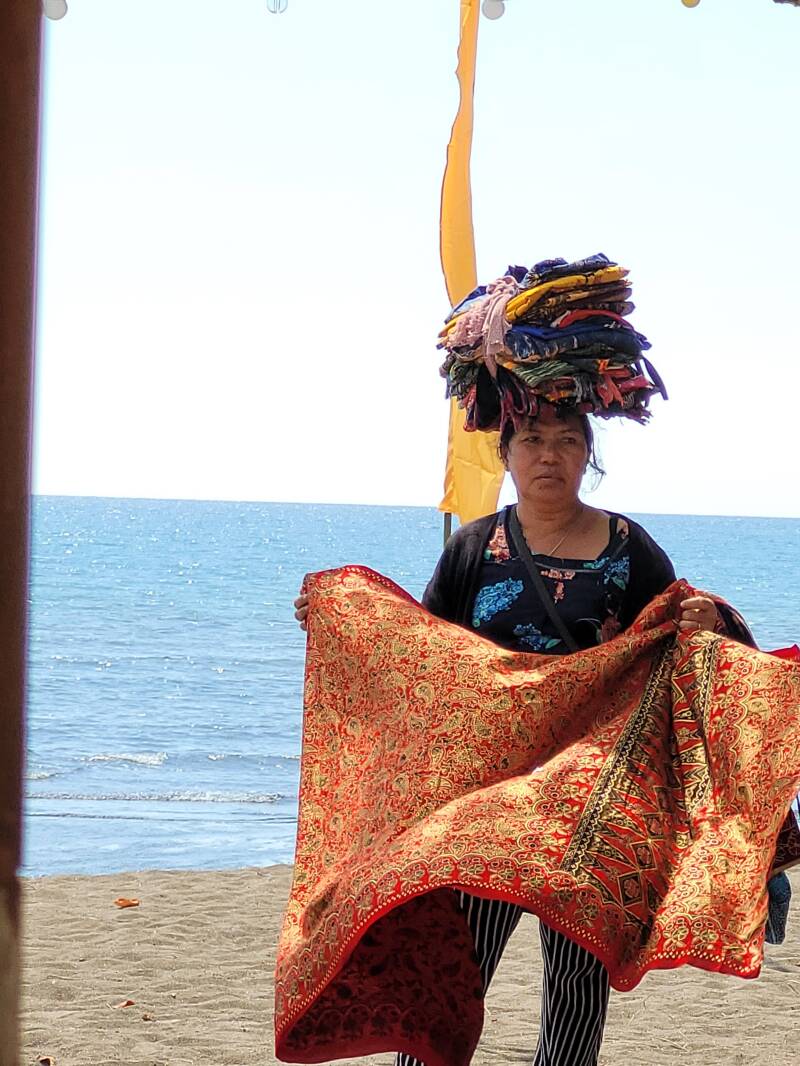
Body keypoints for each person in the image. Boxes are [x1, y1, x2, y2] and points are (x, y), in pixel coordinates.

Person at [294, 402, 720, 1066]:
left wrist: (707, 622)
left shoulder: (628, 548)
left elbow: (672, 645)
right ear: (507, 454)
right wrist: (344, 623)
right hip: (488, 797)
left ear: (588, 455)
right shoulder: (473, 548)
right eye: (533, 440)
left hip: (592, 799)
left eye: (567, 441)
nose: (549, 455)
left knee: (578, 974)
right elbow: (424, 653)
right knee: (456, 959)